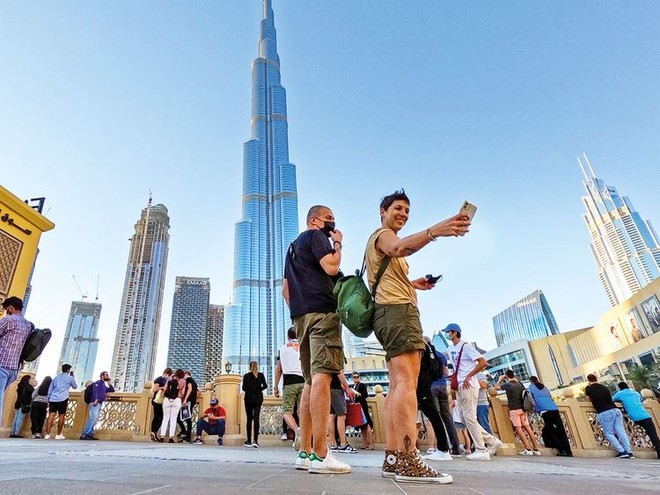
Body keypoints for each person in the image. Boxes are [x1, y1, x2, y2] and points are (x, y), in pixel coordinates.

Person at [365, 190, 469, 484]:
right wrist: (437, 230)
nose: (403, 214)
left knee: (397, 385)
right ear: (383, 211)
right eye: (398, 208)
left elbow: (388, 273)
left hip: (389, 313)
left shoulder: (382, 241)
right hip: (398, 313)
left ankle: (393, 458)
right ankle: (409, 459)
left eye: (407, 211)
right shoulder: (383, 235)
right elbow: (399, 248)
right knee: (406, 384)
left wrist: (413, 283)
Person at [282, 204, 351, 474]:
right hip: (323, 312)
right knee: (322, 376)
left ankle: (305, 452)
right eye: (328, 218)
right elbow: (332, 267)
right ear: (314, 220)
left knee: (310, 381)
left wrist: (300, 311)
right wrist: (338, 243)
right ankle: (321, 455)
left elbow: (285, 290)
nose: (332, 222)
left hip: (301, 317)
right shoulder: (316, 236)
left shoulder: (292, 248)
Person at [445, 323, 502, 461]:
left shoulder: (466, 346)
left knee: (469, 417)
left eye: (448, 332)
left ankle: (481, 449)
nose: (447, 334)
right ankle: (492, 440)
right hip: (459, 385)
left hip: (468, 384)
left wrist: (469, 376)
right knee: (464, 418)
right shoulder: (450, 349)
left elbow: (483, 362)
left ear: (454, 332)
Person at [0, 296, 33, 427]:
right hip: (14, 369)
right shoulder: (27, 324)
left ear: (11, 308)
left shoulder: (8, 320)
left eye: (7, 309)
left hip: (2, 364)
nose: (7, 311)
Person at [417, 337, 452, 461]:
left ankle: (443, 449)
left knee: (433, 415)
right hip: (432, 384)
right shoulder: (432, 351)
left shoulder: (423, 350)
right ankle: (445, 448)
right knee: (437, 416)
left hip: (423, 385)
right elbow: (444, 372)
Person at [585, 374, 633, 458]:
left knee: (608, 433)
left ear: (588, 380)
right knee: (621, 431)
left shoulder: (589, 388)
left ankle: (622, 451)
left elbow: (588, 399)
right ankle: (629, 451)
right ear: (597, 379)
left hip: (604, 411)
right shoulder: (604, 387)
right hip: (616, 410)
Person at [496, 370, 541, 455]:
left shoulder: (508, 385)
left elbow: (496, 388)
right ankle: (536, 448)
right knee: (528, 428)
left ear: (506, 376)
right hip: (523, 409)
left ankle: (527, 448)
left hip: (514, 409)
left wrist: (500, 379)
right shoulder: (520, 384)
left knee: (519, 428)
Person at [274, 327, 305, 449]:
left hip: (289, 382)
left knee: (287, 412)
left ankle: (297, 430)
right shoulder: (304, 346)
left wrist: (276, 387)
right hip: (303, 381)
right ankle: (304, 437)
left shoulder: (282, 349)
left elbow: (279, 370)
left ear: (288, 337)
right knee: (301, 411)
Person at [613, 381, 660, 459]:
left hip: (636, 418)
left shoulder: (620, 394)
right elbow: (641, 401)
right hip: (646, 416)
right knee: (653, 435)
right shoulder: (636, 393)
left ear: (619, 388)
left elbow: (613, 399)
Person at [527, 376, 572, 456]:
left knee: (551, 430)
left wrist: (535, 408)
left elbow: (531, 398)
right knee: (561, 429)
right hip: (554, 408)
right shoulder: (544, 387)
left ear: (531, 381)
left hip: (545, 410)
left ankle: (561, 450)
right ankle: (568, 451)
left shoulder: (531, 387)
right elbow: (550, 396)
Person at [430, 348, 461, 456]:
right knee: (447, 417)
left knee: (436, 418)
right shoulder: (440, 355)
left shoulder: (423, 355)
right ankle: (456, 448)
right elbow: (446, 372)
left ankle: (443, 448)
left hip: (431, 387)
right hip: (443, 386)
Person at [45, 364, 78, 439]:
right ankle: (58, 434)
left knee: (51, 415)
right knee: (61, 416)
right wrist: (73, 377)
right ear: (68, 370)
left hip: (53, 398)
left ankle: (47, 434)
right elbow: (75, 387)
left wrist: (48, 398)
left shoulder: (56, 378)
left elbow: (50, 389)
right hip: (63, 398)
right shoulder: (70, 378)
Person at [80, 371, 114, 440]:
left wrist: (109, 383)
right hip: (95, 402)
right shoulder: (98, 382)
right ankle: (84, 434)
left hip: (99, 403)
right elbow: (95, 391)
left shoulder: (104, 385)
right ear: (102, 376)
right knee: (93, 418)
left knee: (95, 419)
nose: (107, 376)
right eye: (106, 375)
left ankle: (90, 434)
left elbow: (112, 390)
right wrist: (96, 399)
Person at [328, 372, 357, 453]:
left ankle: (333, 444)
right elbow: (339, 373)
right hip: (336, 390)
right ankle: (343, 444)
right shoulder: (336, 364)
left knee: (331, 416)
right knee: (341, 416)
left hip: (327, 389)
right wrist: (348, 389)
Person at [242, 360, 267, 448]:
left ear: (250, 367)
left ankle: (249, 440)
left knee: (249, 419)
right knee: (256, 419)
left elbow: (244, 388)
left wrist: (250, 389)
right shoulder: (261, 375)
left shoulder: (246, 376)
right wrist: (258, 389)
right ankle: (256, 441)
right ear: (257, 367)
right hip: (258, 399)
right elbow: (265, 386)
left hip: (248, 399)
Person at [159, 368, 186, 443]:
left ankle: (162, 436)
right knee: (173, 419)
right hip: (177, 400)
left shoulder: (170, 378)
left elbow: (165, 389)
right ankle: (171, 437)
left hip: (167, 399)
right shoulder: (183, 381)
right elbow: (183, 393)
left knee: (165, 418)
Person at [351, 372, 374, 450]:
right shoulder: (354, 387)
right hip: (358, 407)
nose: (356, 378)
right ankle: (365, 443)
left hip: (363, 407)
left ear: (359, 377)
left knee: (367, 424)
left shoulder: (362, 385)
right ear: (352, 378)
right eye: (354, 377)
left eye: (357, 377)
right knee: (362, 426)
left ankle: (371, 444)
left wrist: (357, 393)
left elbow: (365, 395)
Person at [150, 368, 172, 442]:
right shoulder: (159, 379)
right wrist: (163, 388)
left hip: (162, 401)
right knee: (159, 417)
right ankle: (154, 431)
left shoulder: (165, 380)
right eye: (168, 375)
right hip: (157, 401)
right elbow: (154, 389)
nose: (168, 376)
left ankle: (153, 433)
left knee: (157, 417)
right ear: (165, 373)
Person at [177, 370, 198, 442]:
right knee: (187, 418)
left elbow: (190, 388)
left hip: (188, 401)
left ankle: (185, 432)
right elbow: (198, 391)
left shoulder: (188, 379)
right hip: (192, 401)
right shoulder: (194, 381)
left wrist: (185, 399)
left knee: (181, 418)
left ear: (186, 374)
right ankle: (187, 434)